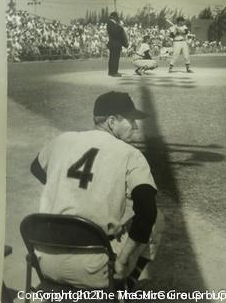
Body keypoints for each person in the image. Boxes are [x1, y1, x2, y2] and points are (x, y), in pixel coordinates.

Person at [30, 91, 163, 290]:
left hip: (46, 262)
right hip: (93, 270)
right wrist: (123, 259)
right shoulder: (130, 154)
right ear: (111, 121)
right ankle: (122, 285)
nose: (135, 127)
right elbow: (148, 212)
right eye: (131, 120)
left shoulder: (62, 139)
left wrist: (69, 186)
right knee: (158, 218)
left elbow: (36, 168)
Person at [106, 12, 129, 77]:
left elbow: (118, 34)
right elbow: (115, 32)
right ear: (114, 17)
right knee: (114, 59)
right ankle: (114, 72)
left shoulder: (112, 24)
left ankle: (111, 72)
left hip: (115, 44)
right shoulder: (110, 23)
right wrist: (120, 27)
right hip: (115, 44)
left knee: (113, 58)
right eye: (116, 16)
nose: (117, 18)